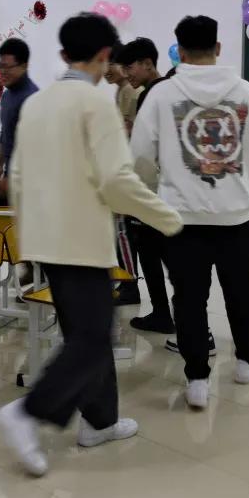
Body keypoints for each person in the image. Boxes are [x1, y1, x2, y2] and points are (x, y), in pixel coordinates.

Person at [0, 13, 183, 477]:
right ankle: (29, 412)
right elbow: (117, 180)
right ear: (105, 56)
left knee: (86, 334)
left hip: (45, 241)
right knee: (93, 337)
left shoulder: (36, 103)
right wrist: (167, 216)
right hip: (81, 241)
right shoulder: (96, 105)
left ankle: (100, 421)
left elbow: (17, 177)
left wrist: (30, 237)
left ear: (63, 55)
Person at [131, 15, 249, 410]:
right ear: (218, 47)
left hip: (181, 216)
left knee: (188, 299)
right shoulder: (245, 92)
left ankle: (196, 379)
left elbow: (139, 156)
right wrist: (239, 184)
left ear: (179, 50)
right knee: (240, 291)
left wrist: (162, 187)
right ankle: (247, 361)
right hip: (237, 215)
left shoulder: (161, 95)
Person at [117, 38, 175, 334]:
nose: (126, 73)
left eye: (130, 67)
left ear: (147, 63)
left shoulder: (150, 96)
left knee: (152, 254)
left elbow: (143, 151)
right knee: (164, 255)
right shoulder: (169, 90)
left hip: (153, 189)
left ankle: (163, 314)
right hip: (169, 189)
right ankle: (168, 313)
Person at [106, 46, 141, 305]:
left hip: (127, 173)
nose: (106, 70)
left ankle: (130, 285)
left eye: (112, 65)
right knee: (122, 233)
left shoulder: (129, 91)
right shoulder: (121, 91)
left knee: (124, 233)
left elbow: (127, 132)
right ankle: (126, 282)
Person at [0, 38, 38, 207]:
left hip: (27, 181)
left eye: (8, 67)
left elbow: (33, 147)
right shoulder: (6, 96)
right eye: (0, 66)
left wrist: (13, 178)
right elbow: (5, 133)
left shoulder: (32, 99)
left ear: (24, 66)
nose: (2, 72)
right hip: (9, 175)